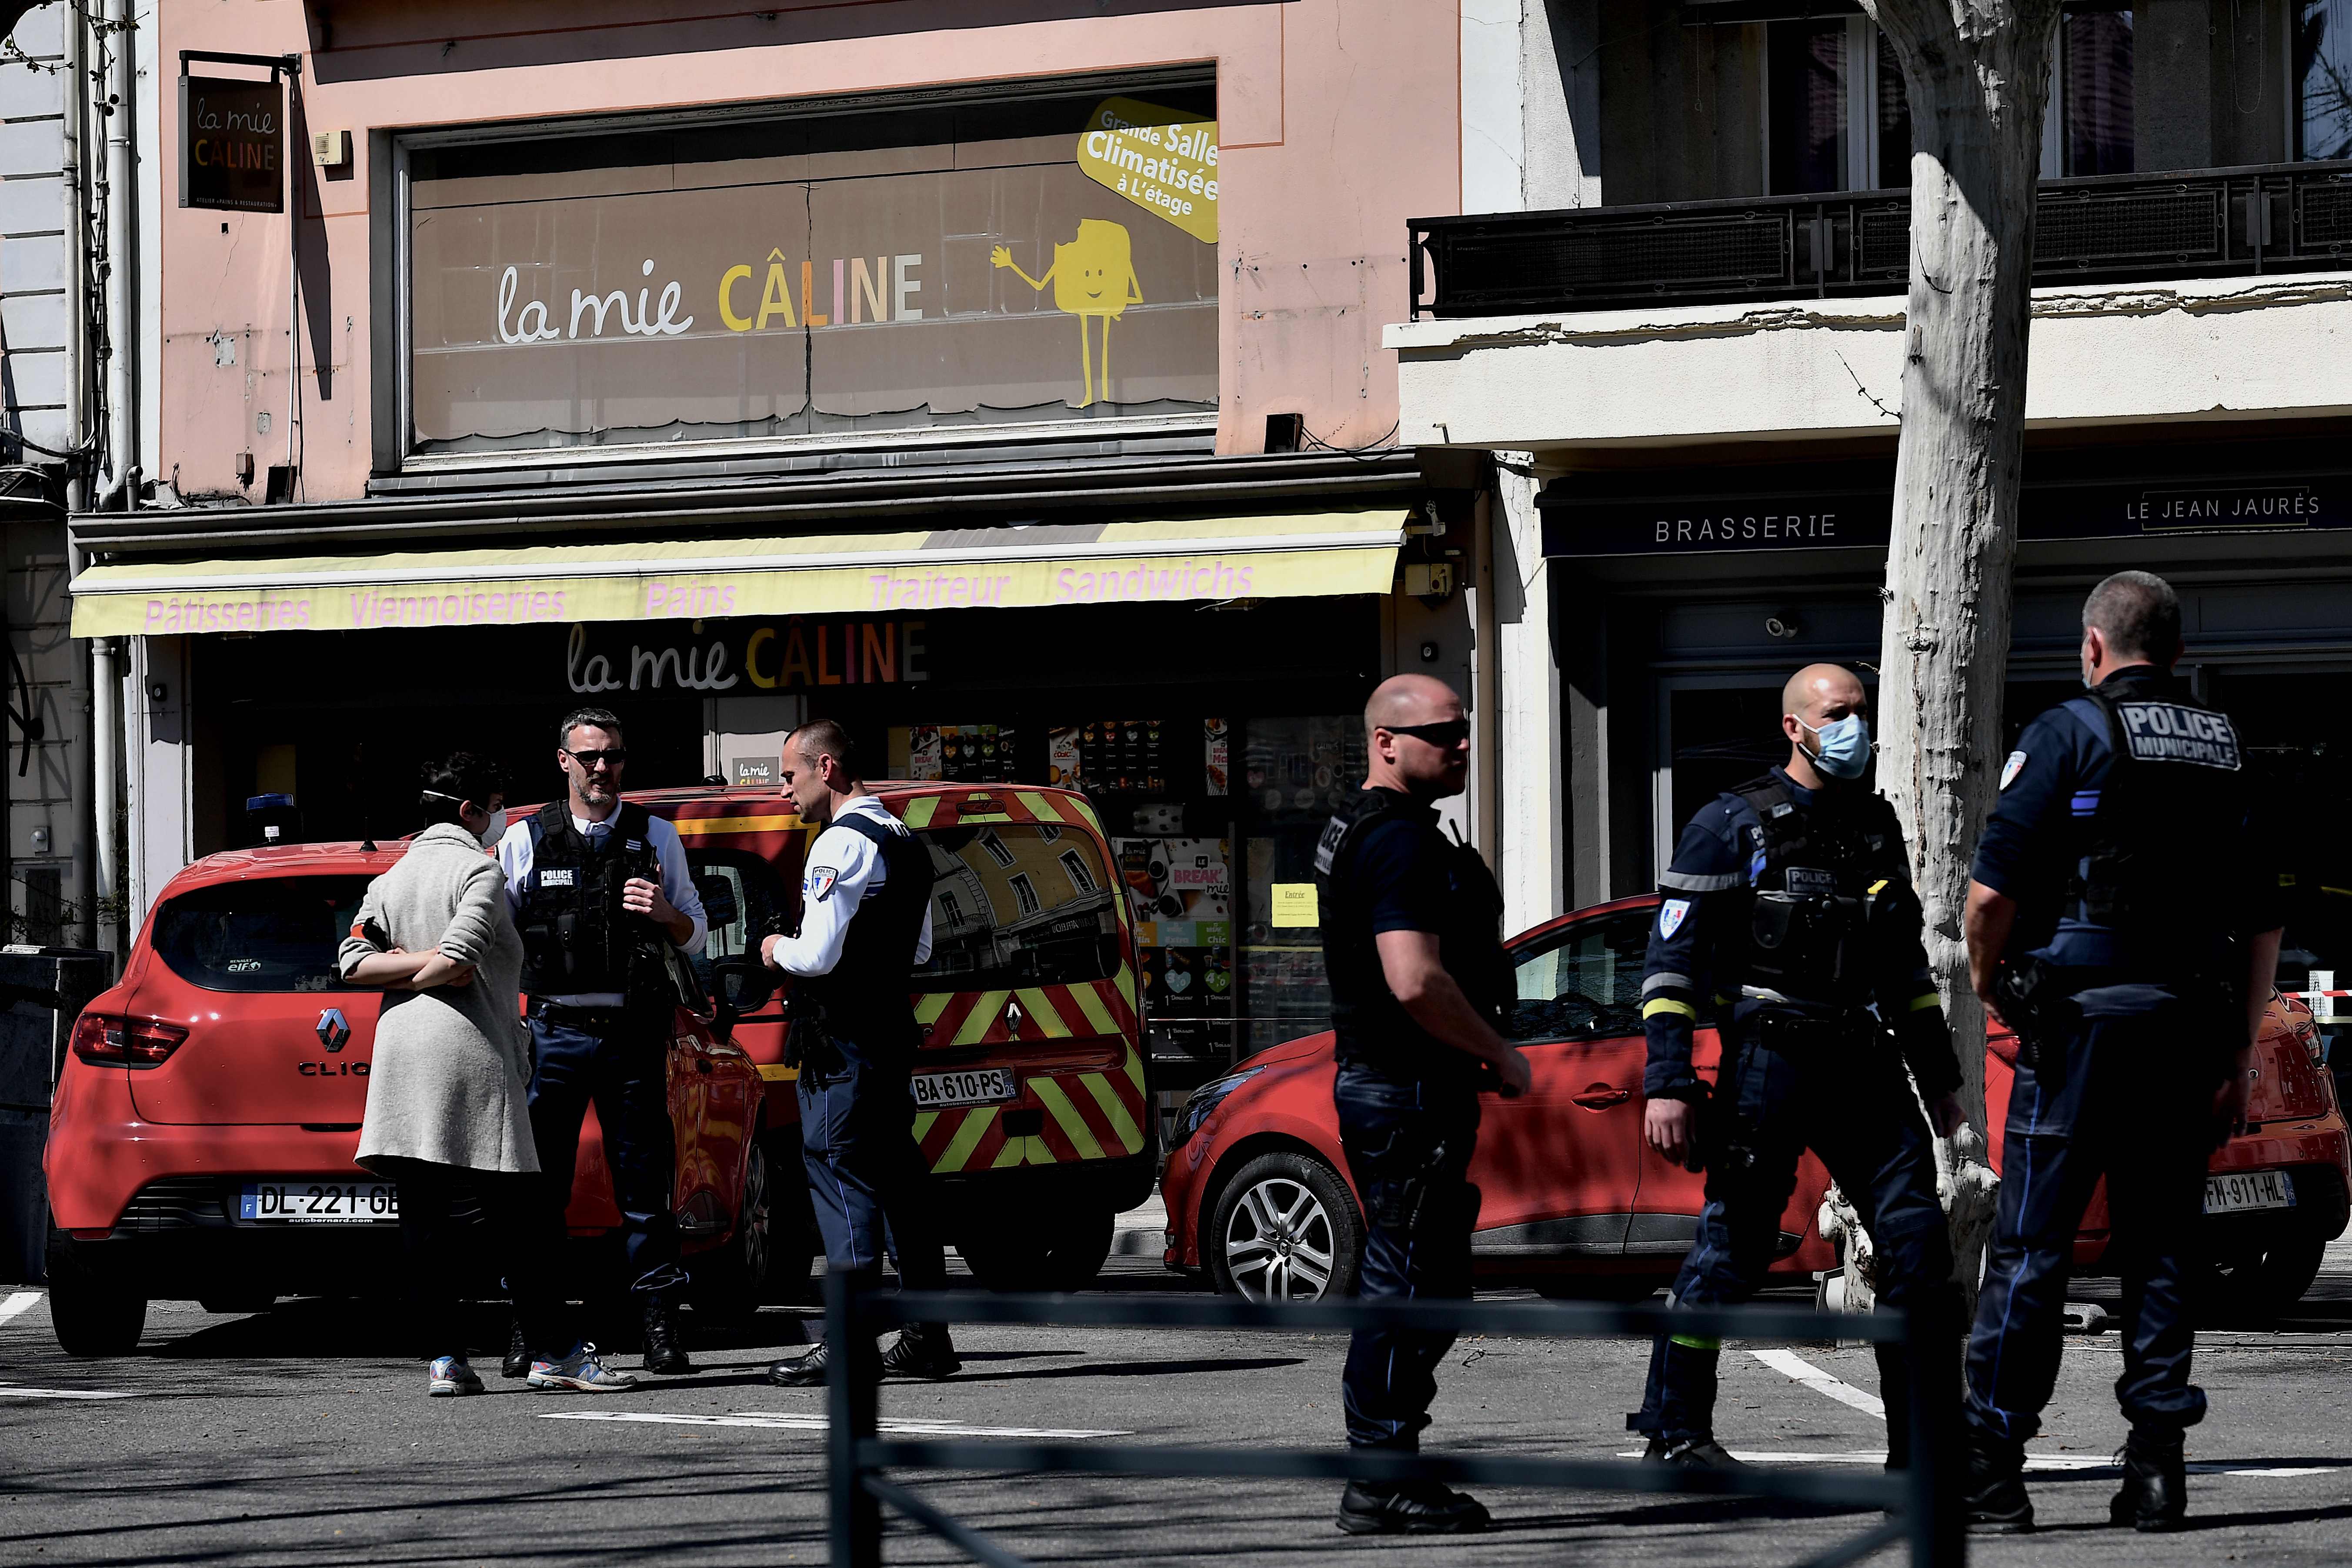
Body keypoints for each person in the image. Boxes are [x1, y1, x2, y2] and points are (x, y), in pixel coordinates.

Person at [1961, 571, 2284, 1534]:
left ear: (2093, 649)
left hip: (2079, 1028)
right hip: (2185, 1028)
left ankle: (1991, 1468)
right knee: (2161, 1251)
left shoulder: (2065, 732)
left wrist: (1989, 986)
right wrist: (2234, 1047)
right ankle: (2154, 1470)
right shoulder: (2227, 749)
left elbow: (1988, 901)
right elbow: (2262, 923)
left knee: (2030, 1250)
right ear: (2177, 654)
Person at [1631, 663, 1967, 1475]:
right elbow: (1669, 964)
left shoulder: (1876, 827)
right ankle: (1676, 1434)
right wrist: (1668, 1081)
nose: (1853, 725)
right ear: (1794, 727)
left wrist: (1945, 1090)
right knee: (1734, 1248)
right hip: (1768, 1058)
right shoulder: (1729, 824)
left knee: (1918, 1246)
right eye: (1836, 713)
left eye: (1859, 711)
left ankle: (1922, 1448)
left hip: (1860, 1055)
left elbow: (1907, 980)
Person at [337, 753, 636, 1395]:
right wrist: (435, 968)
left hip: (400, 1060)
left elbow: (355, 962)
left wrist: (401, 970)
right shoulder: (480, 871)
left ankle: (445, 1357)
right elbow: (458, 955)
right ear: (470, 810)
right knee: (522, 1220)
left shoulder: (391, 879)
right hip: (471, 1056)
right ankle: (555, 1349)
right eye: (496, 802)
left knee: (424, 1215)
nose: (502, 816)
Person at [1314, 674, 1530, 1536]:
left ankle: (1389, 1462)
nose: (1460, 745)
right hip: (1405, 1093)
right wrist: (1498, 1049)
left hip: (1399, 1089)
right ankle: (1379, 1477)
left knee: (1425, 1284)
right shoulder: (1396, 841)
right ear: (1386, 743)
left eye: (1465, 728)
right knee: (1407, 1285)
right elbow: (1413, 979)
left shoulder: (1362, 829)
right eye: (1443, 732)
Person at [495, 708, 708, 1378]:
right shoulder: (524, 839)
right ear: (563, 760)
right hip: (553, 1031)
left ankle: (659, 1325)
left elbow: (697, 932)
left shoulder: (656, 837)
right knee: (539, 1192)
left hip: (631, 1033)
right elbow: (495, 937)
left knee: (644, 1188)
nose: (601, 768)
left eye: (612, 755)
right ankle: (533, 1328)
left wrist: (666, 913)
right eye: (588, 756)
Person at [757, 719, 961, 1388]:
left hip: (840, 1039)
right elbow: (922, 950)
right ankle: (928, 1335)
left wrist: (773, 949)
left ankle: (849, 1337)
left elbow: (815, 956)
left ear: (827, 767)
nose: (784, 788)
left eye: (790, 775)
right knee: (899, 1177)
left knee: (841, 1172)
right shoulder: (905, 840)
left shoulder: (837, 843)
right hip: (888, 1034)